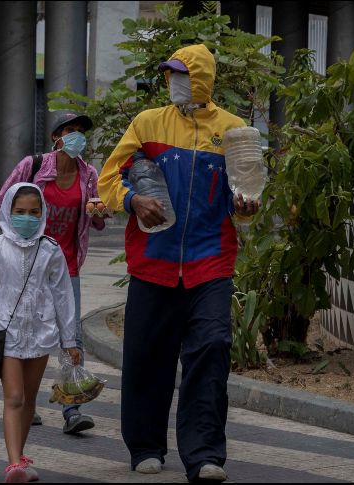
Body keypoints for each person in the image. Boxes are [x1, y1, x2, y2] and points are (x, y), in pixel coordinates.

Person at [97, 44, 260, 483]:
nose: (174, 82)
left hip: (211, 262)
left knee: (212, 348)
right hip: (154, 262)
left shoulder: (233, 129)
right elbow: (110, 178)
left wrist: (246, 207)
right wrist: (133, 201)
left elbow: (243, 193)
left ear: (202, 78)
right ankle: (145, 446)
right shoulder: (147, 123)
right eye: (170, 74)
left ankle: (205, 455)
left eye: (182, 74)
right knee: (147, 356)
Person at [0, 112, 107, 434]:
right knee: (25, 328)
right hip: (25, 260)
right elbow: (0, 202)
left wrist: (99, 210)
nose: (77, 137)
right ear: (56, 136)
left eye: (81, 131)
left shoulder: (88, 174)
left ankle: (73, 408)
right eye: (70, 130)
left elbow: (97, 221)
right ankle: (26, 403)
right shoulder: (33, 166)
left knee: (72, 334)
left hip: (66, 263)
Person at [0, 182, 82, 483]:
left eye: (33, 212)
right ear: (8, 211)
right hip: (7, 334)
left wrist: (70, 340)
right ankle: (14, 464)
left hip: (42, 334)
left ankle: (20, 457)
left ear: (43, 213)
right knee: (14, 397)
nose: (26, 218)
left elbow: (63, 296)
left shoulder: (51, 249)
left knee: (29, 400)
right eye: (20, 211)